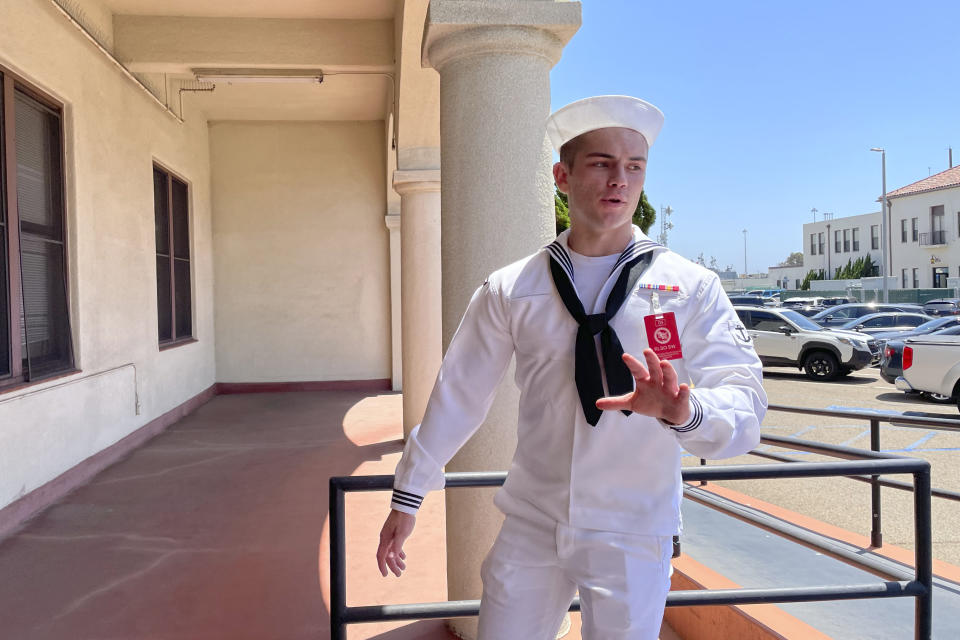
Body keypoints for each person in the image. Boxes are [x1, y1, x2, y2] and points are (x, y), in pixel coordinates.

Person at [376, 95, 766, 639]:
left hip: (633, 527)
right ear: (562, 175)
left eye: (634, 168)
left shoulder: (689, 288)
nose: (619, 181)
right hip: (533, 520)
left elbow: (746, 400)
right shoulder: (513, 289)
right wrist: (409, 491)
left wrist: (687, 411)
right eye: (601, 163)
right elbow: (458, 395)